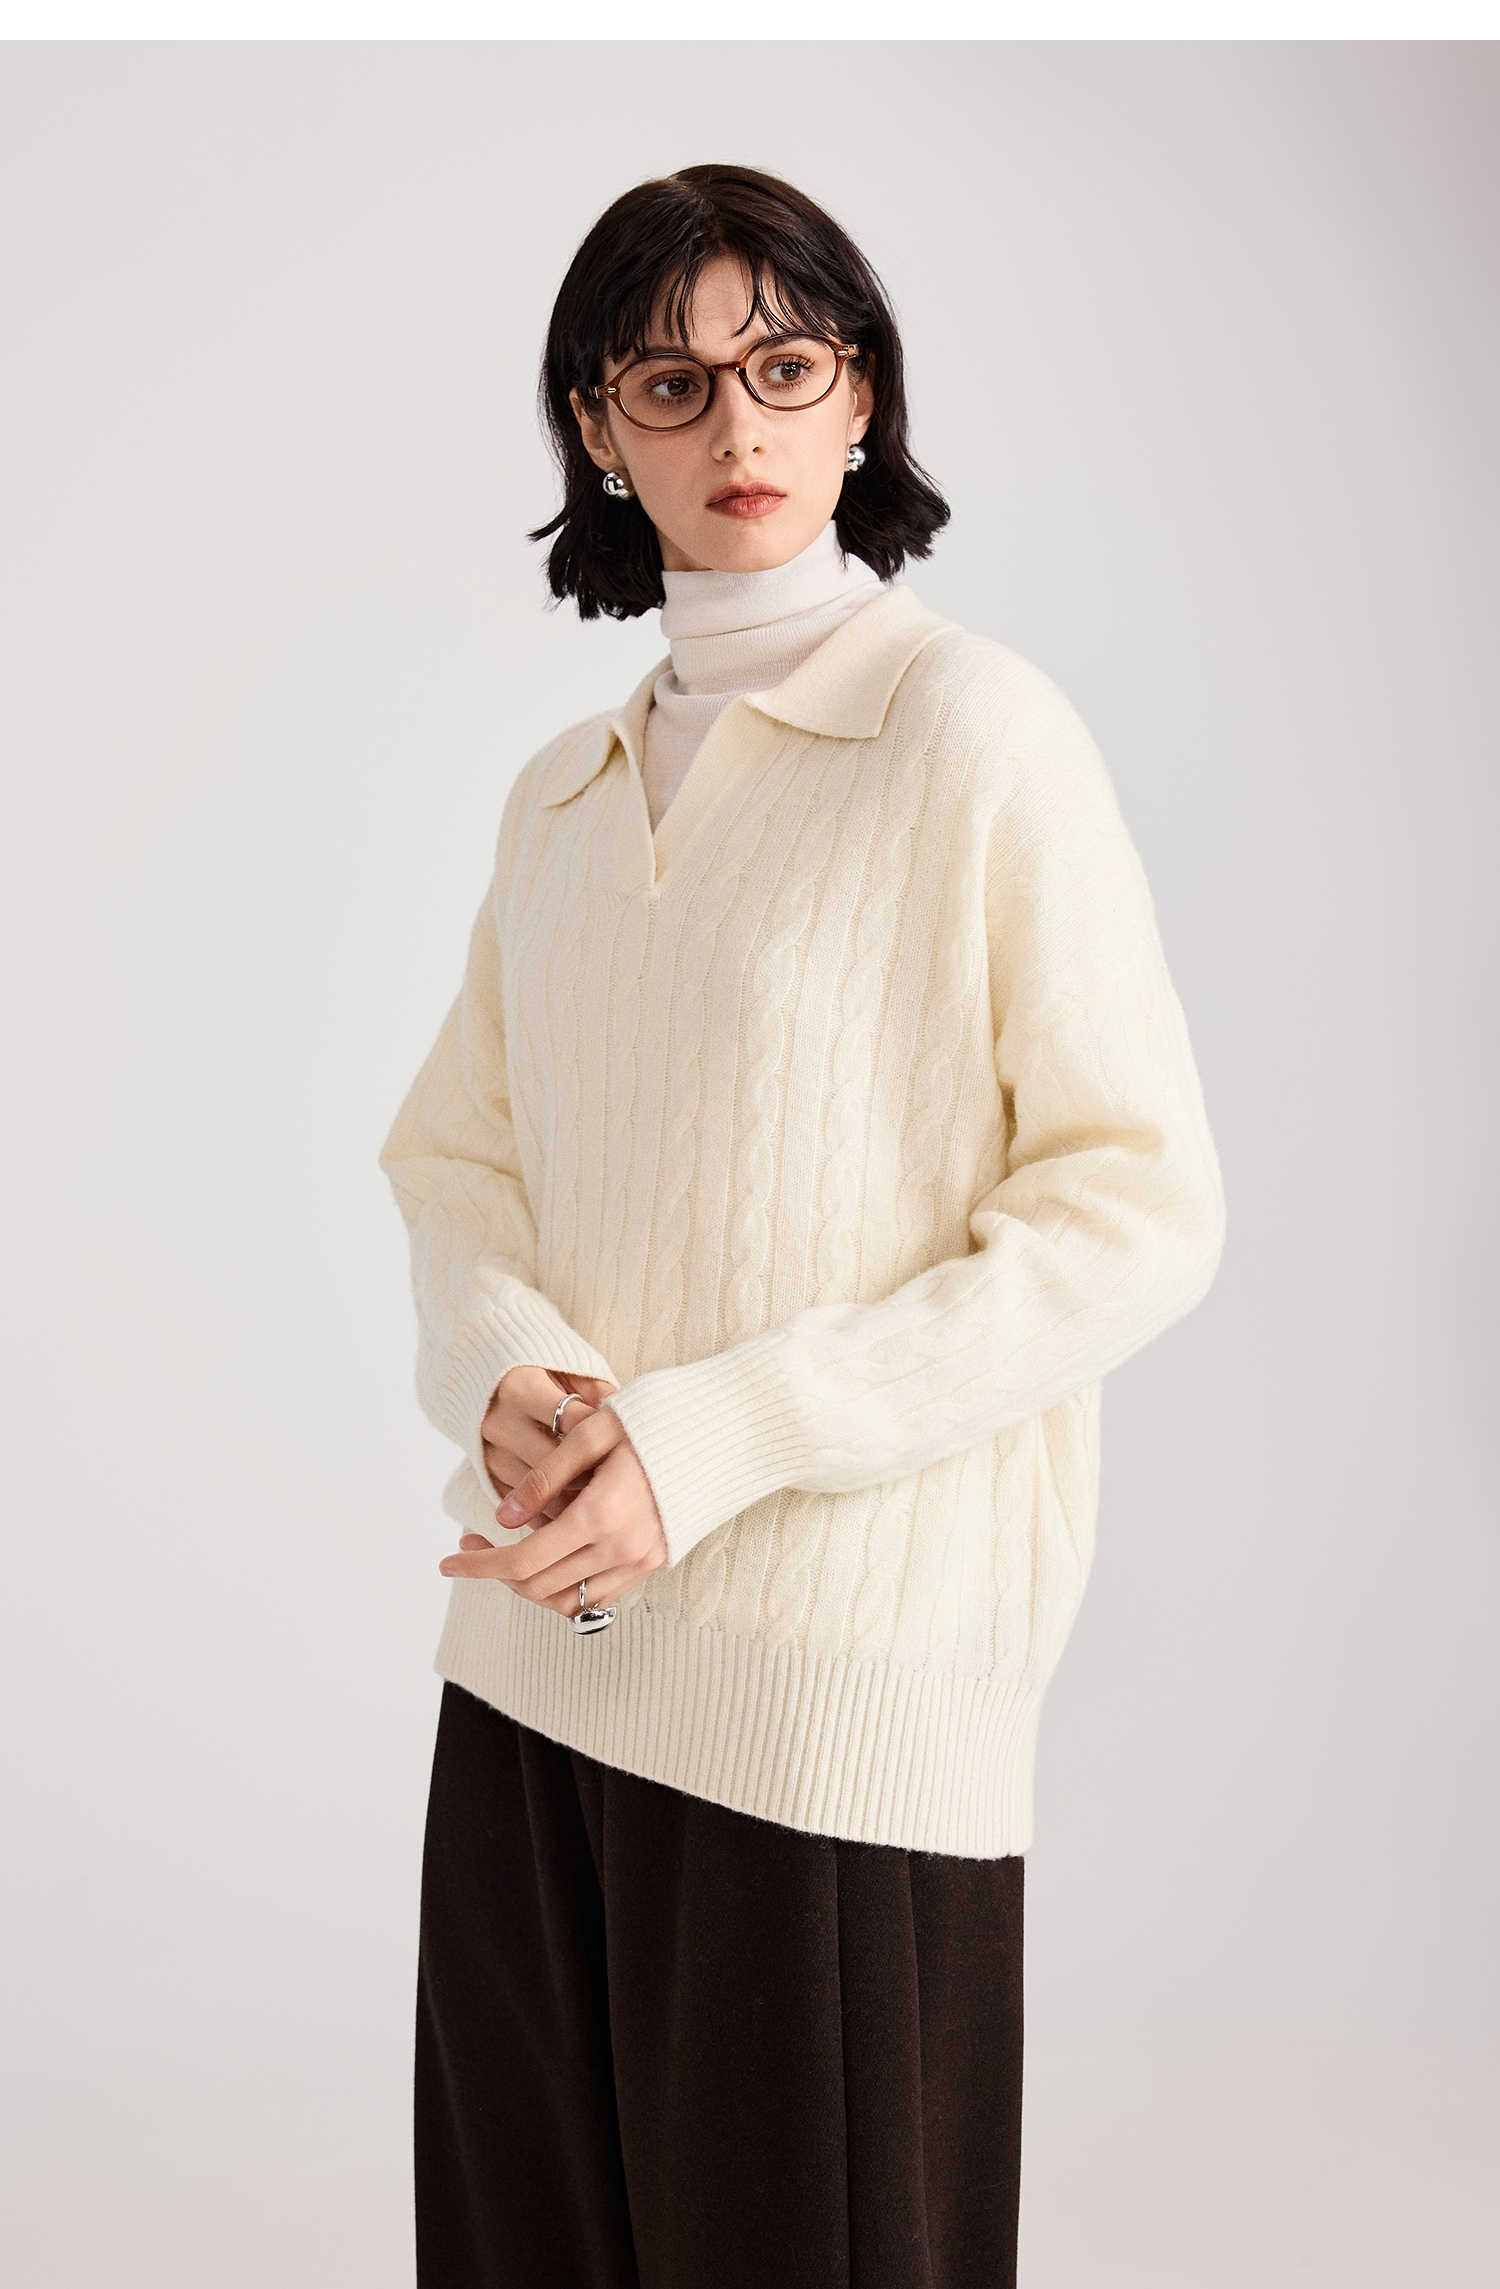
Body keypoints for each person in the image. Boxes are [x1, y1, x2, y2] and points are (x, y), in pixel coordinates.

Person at [381, 162, 1223, 2289]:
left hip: (829, 1713)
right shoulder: (561, 793)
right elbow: (453, 1161)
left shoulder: (975, 736)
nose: (736, 425)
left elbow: (1134, 1204)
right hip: (535, 1675)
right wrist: (502, 1363)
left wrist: (716, 1433)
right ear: (599, 427)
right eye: (671, 381)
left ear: (863, 396)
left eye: (785, 364)